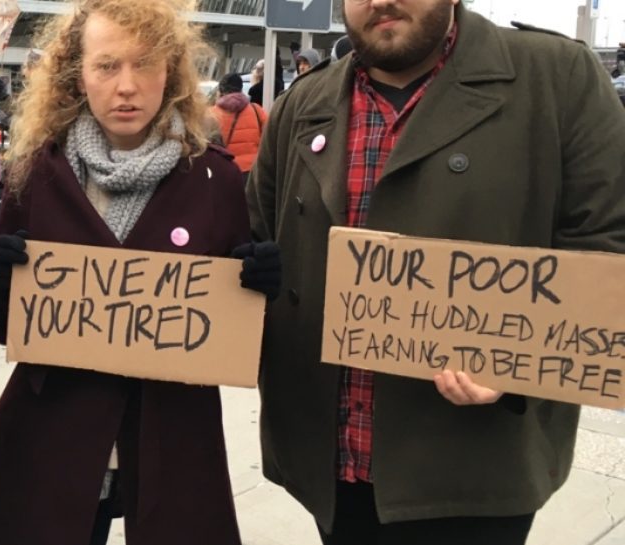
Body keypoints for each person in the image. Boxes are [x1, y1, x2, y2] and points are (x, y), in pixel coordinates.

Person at [247, 1, 625, 544]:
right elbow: (260, 238)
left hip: (471, 472)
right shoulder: (302, 103)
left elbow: (608, 246)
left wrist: (519, 361)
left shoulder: (555, 78)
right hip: (329, 466)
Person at [0, 0, 280, 544]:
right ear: (78, 75)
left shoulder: (214, 179)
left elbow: (243, 339)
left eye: (145, 63)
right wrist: (1, 286)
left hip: (171, 438)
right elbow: (9, 328)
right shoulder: (34, 174)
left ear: (171, 73)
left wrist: (261, 292)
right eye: (107, 65)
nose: (126, 86)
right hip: (56, 440)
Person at [208, 72, 267, 173]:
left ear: (221, 91)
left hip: (224, 171)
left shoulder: (210, 114)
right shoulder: (257, 110)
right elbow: (269, 139)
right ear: (241, 89)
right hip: (252, 171)